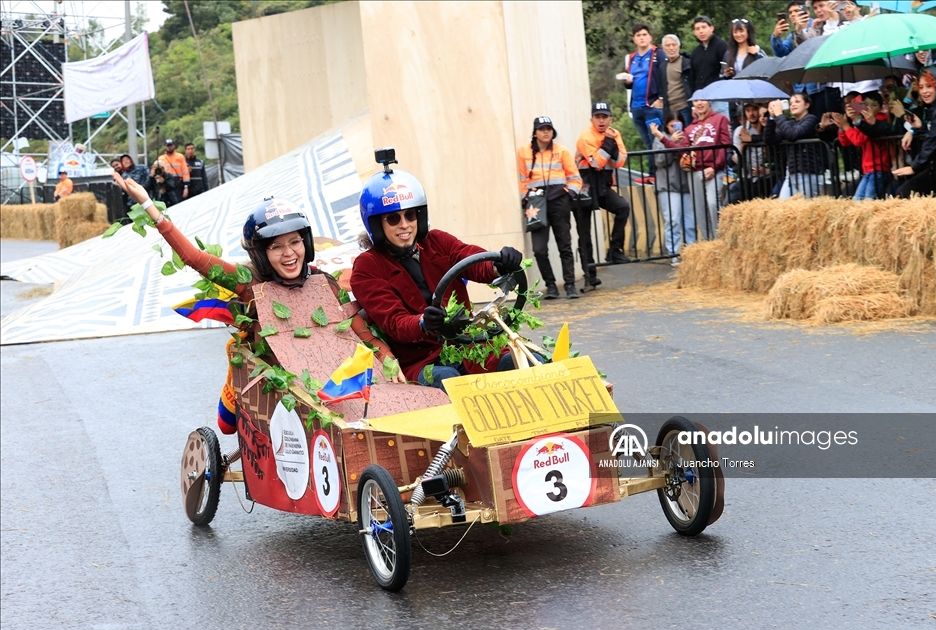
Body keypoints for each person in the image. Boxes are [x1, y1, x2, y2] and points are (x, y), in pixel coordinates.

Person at [110, 173, 404, 434]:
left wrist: (388, 360)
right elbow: (195, 259)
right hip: (283, 378)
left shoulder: (323, 282)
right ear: (261, 254)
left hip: (330, 379)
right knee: (226, 427)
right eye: (276, 247)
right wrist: (151, 206)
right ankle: (231, 381)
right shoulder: (249, 284)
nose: (289, 254)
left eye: (295, 242)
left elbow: (361, 331)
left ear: (306, 244)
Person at [349, 158, 526, 391]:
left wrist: (499, 264)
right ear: (376, 225)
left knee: (519, 360)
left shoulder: (437, 241)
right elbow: (394, 322)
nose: (404, 225)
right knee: (449, 379)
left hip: (469, 347)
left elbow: (470, 259)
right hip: (422, 359)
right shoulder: (367, 267)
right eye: (393, 218)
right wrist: (423, 322)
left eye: (410, 215)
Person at [516, 116, 582, 300]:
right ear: (535, 132)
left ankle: (570, 285)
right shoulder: (524, 152)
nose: (546, 132)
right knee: (539, 249)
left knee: (565, 245)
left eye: (549, 129)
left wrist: (569, 194)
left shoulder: (562, 151)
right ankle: (551, 285)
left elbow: (575, 177)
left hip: (559, 202)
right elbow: (522, 180)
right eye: (542, 129)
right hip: (536, 204)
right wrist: (526, 199)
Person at [575, 102, 631, 273]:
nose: (601, 121)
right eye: (597, 117)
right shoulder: (586, 136)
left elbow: (620, 161)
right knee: (585, 232)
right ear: (591, 119)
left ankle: (614, 250)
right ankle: (589, 273)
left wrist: (609, 147)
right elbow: (596, 163)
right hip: (584, 187)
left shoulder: (615, 134)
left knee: (623, 207)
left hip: (602, 185)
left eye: (604, 117)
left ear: (610, 119)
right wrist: (608, 143)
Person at [892, 68, 936, 199]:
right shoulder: (934, 107)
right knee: (903, 192)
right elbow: (933, 133)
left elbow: (932, 139)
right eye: (921, 87)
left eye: (929, 86)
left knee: (904, 193)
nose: (924, 91)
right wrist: (917, 128)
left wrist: (915, 167)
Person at [680, 98, 730, 240]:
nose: (699, 103)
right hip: (694, 171)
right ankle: (707, 243)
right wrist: (665, 138)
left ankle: (720, 239)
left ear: (709, 102)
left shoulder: (721, 119)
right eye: (696, 100)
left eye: (703, 100)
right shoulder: (689, 128)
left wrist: (714, 167)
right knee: (699, 209)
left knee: (713, 203)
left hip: (714, 170)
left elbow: (725, 146)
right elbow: (682, 150)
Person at [622, 23, 667, 178]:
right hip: (636, 106)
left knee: (656, 140)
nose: (641, 38)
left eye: (644, 34)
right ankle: (651, 174)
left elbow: (664, 76)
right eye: (638, 35)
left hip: (652, 104)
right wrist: (627, 82)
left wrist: (661, 98)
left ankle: (659, 175)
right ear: (634, 39)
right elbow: (630, 84)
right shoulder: (631, 58)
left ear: (650, 37)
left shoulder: (657, 53)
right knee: (647, 142)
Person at [830, 92, 893, 200]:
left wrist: (846, 125)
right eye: (866, 105)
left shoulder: (879, 120)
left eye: (874, 105)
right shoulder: (862, 121)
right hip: (868, 170)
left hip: (879, 169)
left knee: (869, 200)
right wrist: (842, 127)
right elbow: (846, 142)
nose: (869, 108)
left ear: (881, 107)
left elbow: (858, 140)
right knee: (857, 201)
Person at [648, 115, 694, 261]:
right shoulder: (660, 138)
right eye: (672, 125)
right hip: (668, 185)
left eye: (678, 125)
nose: (675, 129)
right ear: (667, 126)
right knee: (673, 220)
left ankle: (691, 253)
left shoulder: (688, 138)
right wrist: (671, 143)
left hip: (686, 184)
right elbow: (660, 161)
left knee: (690, 221)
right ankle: (674, 254)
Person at [772, 2, 827, 119]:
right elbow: (781, 52)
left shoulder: (818, 24)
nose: (793, 15)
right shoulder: (792, 36)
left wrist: (800, 31)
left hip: (819, 85)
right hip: (801, 88)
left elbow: (811, 49)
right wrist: (776, 36)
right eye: (790, 12)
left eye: (796, 11)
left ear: (806, 11)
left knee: (821, 120)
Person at [765, 93, 825, 199]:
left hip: (809, 173)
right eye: (791, 103)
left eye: (797, 102)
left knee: (808, 210)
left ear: (807, 105)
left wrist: (779, 115)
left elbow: (792, 134)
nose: (793, 105)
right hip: (792, 173)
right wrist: (771, 118)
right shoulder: (791, 123)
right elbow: (769, 139)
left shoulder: (811, 119)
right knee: (783, 209)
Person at [688, 16, 729, 118]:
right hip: (701, 100)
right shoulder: (695, 52)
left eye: (704, 27)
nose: (701, 31)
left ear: (711, 28)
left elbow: (727, 70)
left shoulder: (721, 46)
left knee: (722, 128)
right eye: (697, 29)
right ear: (694, 32)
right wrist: (694, 103)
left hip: (719, 97)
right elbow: (693, 79)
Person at [658, 34, 692, 126]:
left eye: (674, 45)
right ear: (663, 48)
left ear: (679, 46)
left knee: (687, 136)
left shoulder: (687, 63)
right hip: (670, 110)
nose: (671, 48)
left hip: (685, 107)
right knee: (675, 138)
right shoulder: (663, 67)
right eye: (668, 45)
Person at [157, 139, 190, 206]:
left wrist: (186, 187)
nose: (169, 147)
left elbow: (185, 172)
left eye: (171, 145)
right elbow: (159, 174)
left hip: (178, 184)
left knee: (179, 204)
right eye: (168, 145)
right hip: (167, 184)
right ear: (165, 147)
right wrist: (161, 187)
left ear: (174, 146)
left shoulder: (180, 156)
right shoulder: (161, 158)